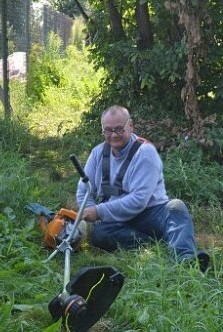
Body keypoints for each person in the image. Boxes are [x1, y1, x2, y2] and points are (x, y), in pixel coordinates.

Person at [76, 105, 210, 272]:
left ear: (130, 126)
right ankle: (154, 241)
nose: (113, 135)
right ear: (102, 130)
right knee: (100, 236)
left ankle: (186, 259)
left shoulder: (145, 153)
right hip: (117, 219)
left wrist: (99, 211)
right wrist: (91, 212)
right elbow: (84, 190)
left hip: (150, 214)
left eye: (119, 129)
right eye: (108, 130)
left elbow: (138, 201)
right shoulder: (97, 153)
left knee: (176, 208)